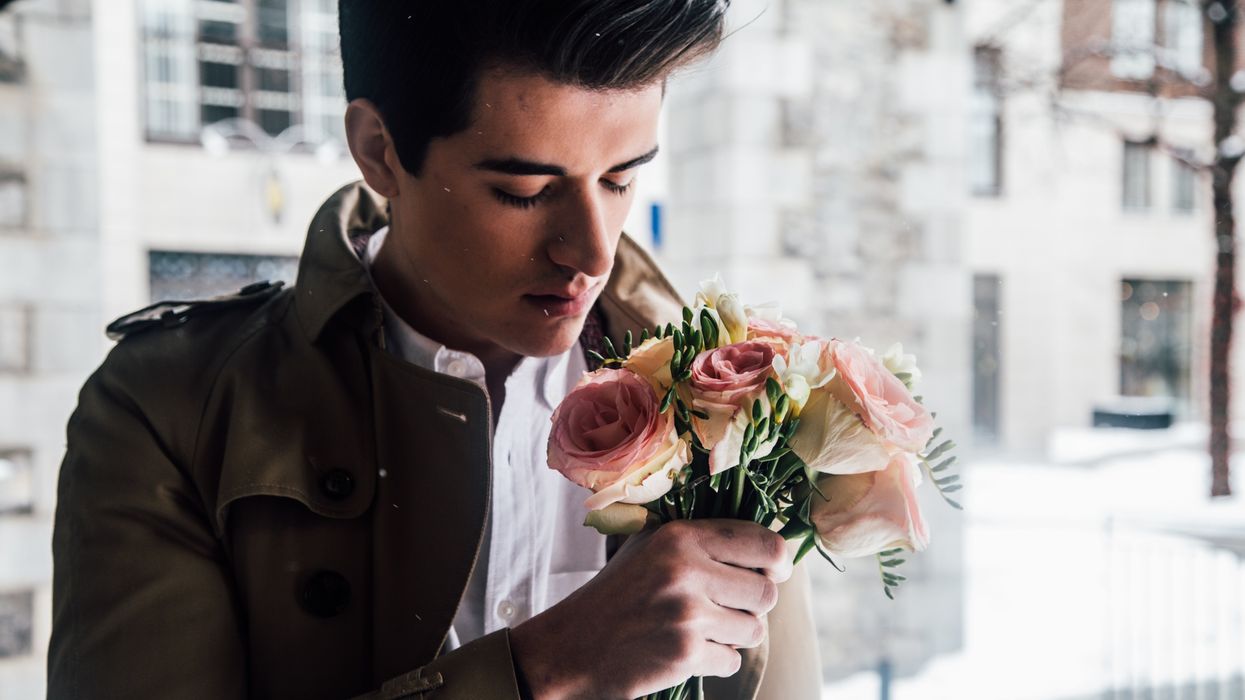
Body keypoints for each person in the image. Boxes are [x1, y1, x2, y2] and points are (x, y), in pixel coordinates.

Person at [48, 2, 821, 698]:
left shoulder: (734, 399)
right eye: (524, 191)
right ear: (379, 151)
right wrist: (545, 669)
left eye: (621, 179)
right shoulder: (171, 407)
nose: (592, 251)